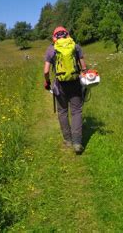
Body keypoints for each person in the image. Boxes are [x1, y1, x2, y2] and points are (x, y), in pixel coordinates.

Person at [43, 26, 87, 154]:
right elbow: (83, 67)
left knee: (62, 112)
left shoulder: (51, 49)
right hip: (75, 83)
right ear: (67, 35)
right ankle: (77, 143)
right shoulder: (75, 46)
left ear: (54, 37)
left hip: (60, 84)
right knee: (76, 111)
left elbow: (46, 71)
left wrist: (47, 82)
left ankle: (68, 140)